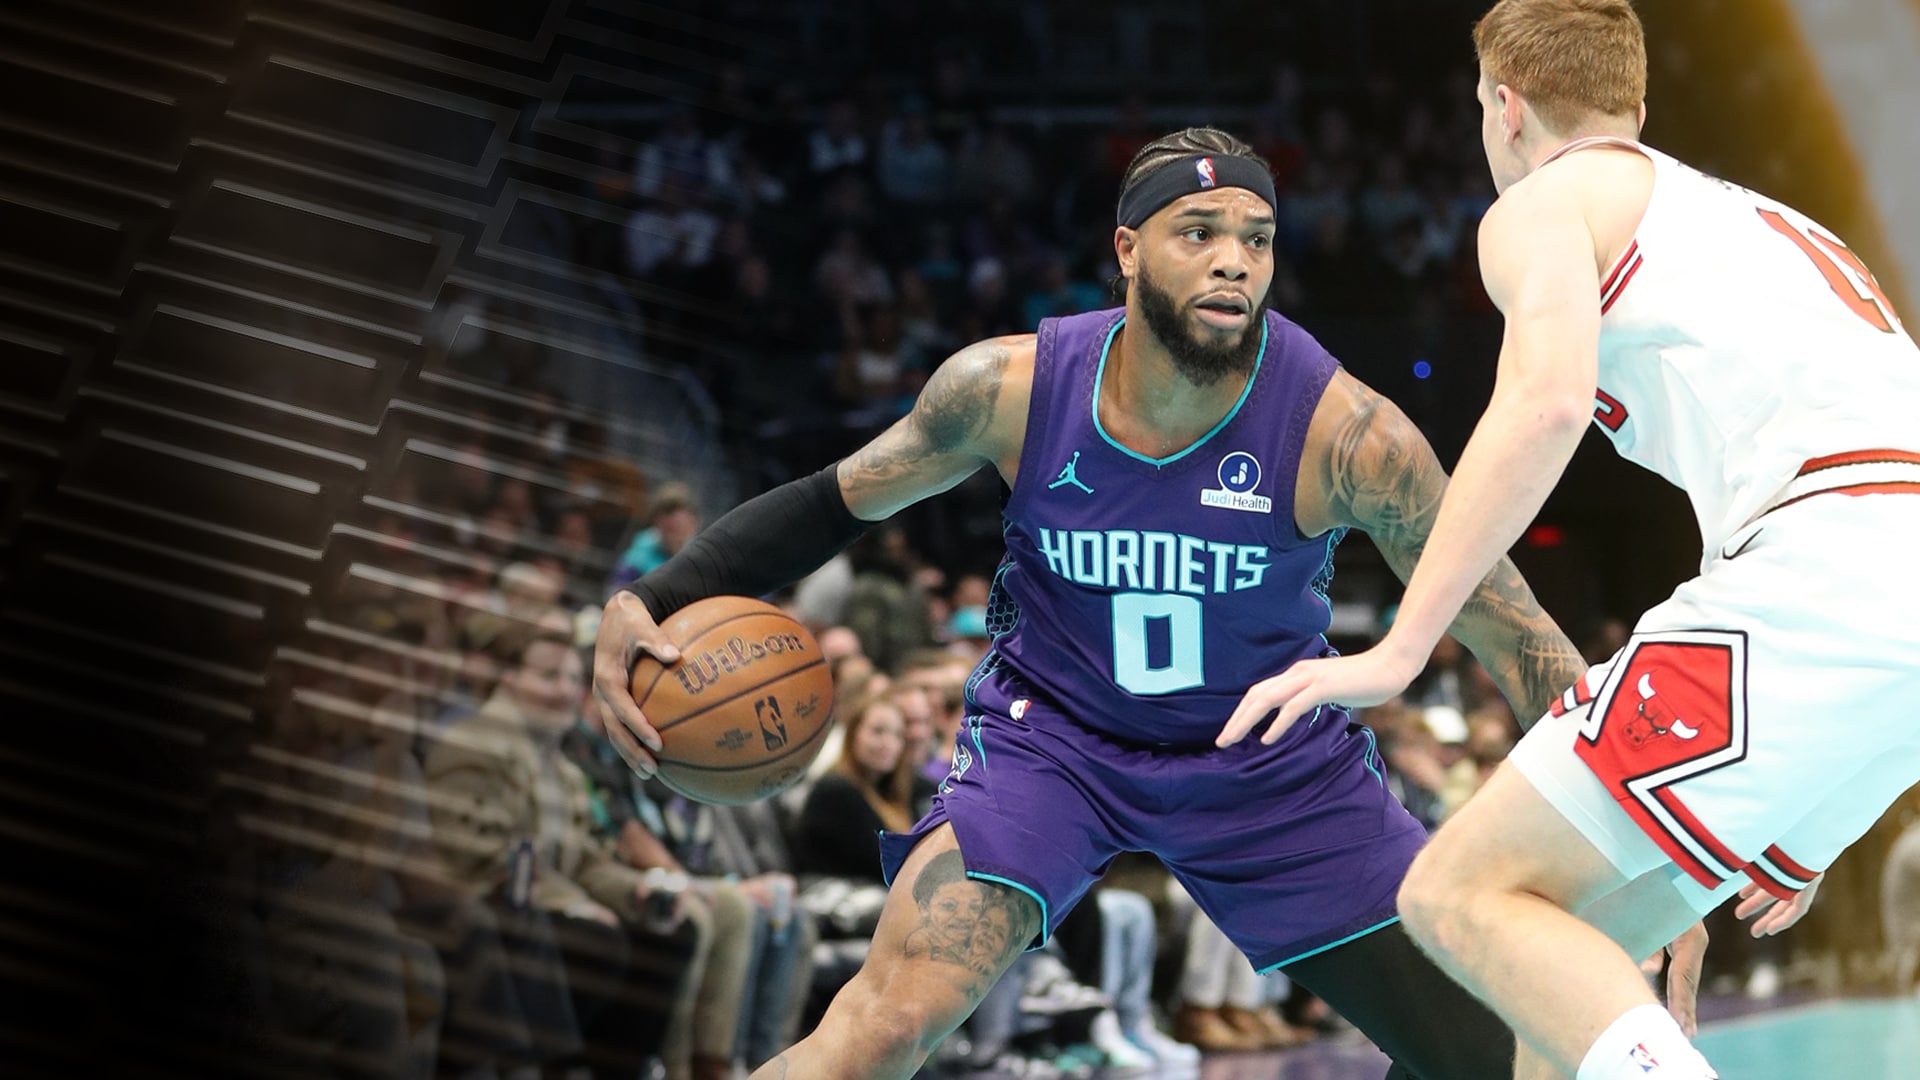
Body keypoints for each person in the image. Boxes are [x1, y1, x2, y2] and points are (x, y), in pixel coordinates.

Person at [596, 126, 1592, 1080]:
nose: (1234, 261)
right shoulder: (1007, 389)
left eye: (1257, 239)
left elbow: (1507, 623)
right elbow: (832, 502)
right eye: (1198, 232)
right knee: (884, 1026)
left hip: (1264, 761)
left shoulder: (1350, 435)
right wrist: (657, 595)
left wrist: (1629, 813)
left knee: (1496, 1055)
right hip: (1054, 742)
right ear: (1127, 250)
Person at [1214, 4, 1920, 1079]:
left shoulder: (1548, 200)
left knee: (1455, 892)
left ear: (1504, 107)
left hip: (1827, 567)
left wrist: (1401, 649)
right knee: (1550, 991)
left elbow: (1545, 402)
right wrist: (1809, 804)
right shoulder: (1774, 226)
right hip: (1867, 623)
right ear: (1635, 102)